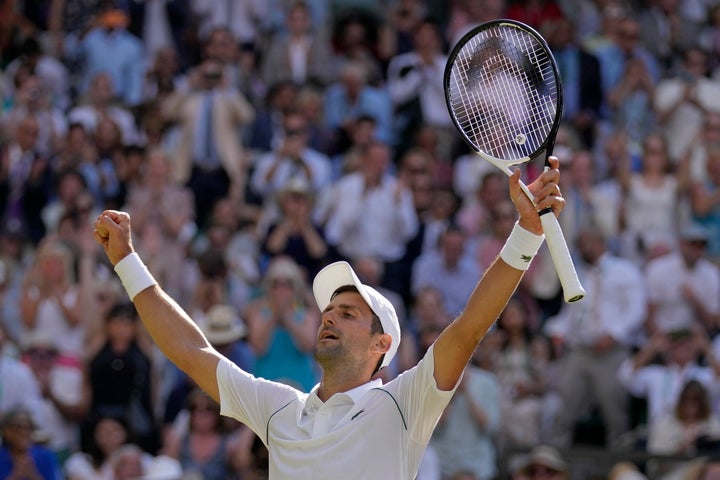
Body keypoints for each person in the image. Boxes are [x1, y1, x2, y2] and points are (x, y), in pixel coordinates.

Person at [91, 157, 565, 479]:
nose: (330, 318)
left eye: (349, 313)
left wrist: (526, 232)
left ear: (382, 345)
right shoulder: (279, 407)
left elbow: (468, 329)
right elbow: (192, 351)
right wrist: (127, 261)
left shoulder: (404, 402)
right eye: (329, 311)